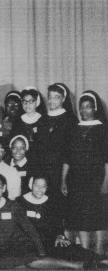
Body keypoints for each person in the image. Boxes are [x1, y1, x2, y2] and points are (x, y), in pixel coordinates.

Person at [0, 173, 91, 269]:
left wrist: (40, 250)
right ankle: (75, 265)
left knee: (27, 262)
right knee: (18, 265)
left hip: (18, 244)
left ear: (4, 188)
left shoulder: (12, 205)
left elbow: (28, 228)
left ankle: (75, 265)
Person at [62, 90, 108, 255]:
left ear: (95, 108)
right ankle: (86, 253)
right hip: (76, 180)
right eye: (81, 108)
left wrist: (106, 182)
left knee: (98, 218)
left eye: (88, 107)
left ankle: (100, 254)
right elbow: (67, 157)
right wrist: (63, 180)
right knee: (81, 218)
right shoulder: (74, 129)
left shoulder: (103, 129)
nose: (84, 111)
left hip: (96, 179)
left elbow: (106, 159)